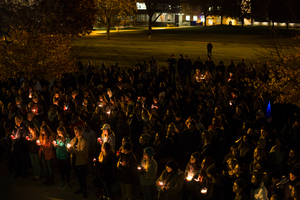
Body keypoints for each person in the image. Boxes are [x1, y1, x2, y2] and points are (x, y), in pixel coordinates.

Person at [67, 125, 89, 198]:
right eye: (74, 131)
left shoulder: (84, 141)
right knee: (78, 176)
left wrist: (73, 149)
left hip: (81, 161)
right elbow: (70, 149)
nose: (75, 133)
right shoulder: (74, 139)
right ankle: (80, 187)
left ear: (81, 131)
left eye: (77, 131)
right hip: (74, 160)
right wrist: (69, 149)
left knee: (83, 176)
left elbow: (82, 151)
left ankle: (84, 190)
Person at [54, 126, 71, 190]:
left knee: (66, 170)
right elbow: (56, 147)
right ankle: (63, 182)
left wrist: (61, 146)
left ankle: (67, 183)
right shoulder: (58, 138)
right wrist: (55, 145)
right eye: (57, 132)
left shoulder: (67, 138)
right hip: (59, 156)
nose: (58, 134)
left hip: (64, 156)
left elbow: (67, 147)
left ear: (63, 132)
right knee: (62, 170)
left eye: (59, 132)